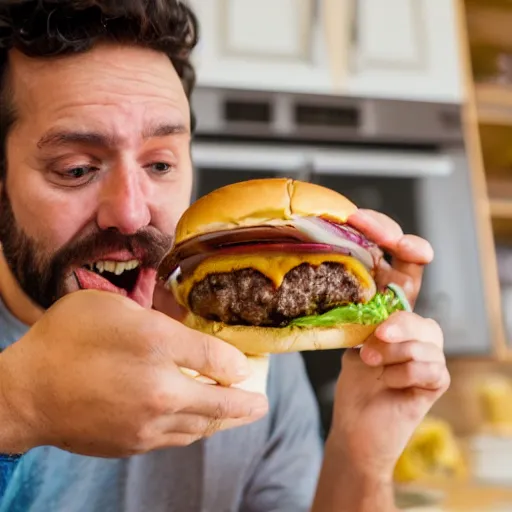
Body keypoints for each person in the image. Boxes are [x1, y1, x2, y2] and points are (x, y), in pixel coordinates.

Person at [0, 1, 449, 511]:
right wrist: (17, 405)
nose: (130, 214)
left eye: (161, 164)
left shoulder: (251, 350)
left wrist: (359, 457)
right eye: (77, 168)